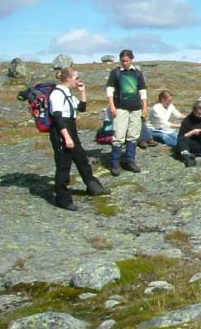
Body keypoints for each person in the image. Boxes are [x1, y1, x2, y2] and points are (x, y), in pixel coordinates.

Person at [48, 67, 110, 210]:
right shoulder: (56, 95)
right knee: (63, 166)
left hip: (71, 130)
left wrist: (82, 92)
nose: (78, 80)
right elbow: (57, 118)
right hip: (61, 132)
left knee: (82, 160)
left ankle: (93, 186)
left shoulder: (68, 94)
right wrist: (67, 137)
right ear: (68, 78)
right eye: (76, 78)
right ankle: (62, 199)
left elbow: (81, 108)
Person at [105, 48, 148, 176]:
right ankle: (115, 163)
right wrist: (112, 106)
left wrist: (145, 106)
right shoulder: (116, 73)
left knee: (133, 135)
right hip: (120, 107)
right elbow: (110, 90)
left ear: (132, 60)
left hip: (136, 107)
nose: (125, 63)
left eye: (127, 61)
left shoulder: (138, 73)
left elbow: (142, 90)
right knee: (119, 135)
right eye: (123, 61)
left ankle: (130, 160)